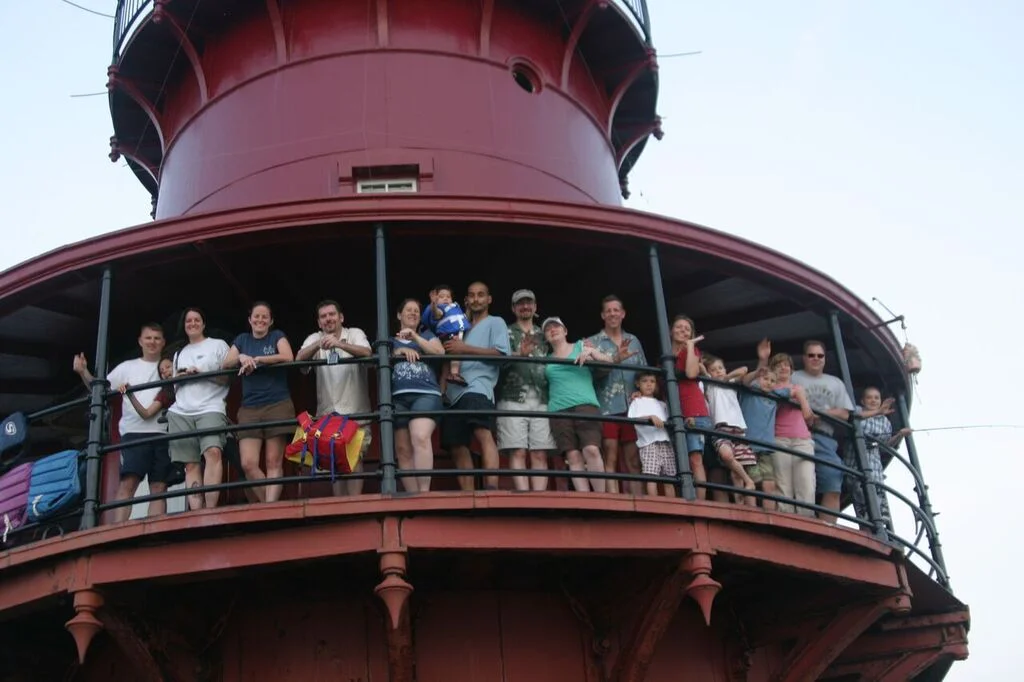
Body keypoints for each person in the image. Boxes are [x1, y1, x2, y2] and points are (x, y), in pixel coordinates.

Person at [72, 323, 173, 523]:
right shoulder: (127, 367)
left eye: (157, 338)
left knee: (159, 487)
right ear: (140, 341)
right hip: (134, 433)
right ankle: (119, 528)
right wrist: (83, 372)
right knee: (129, 482)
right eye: (148, 338)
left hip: (164, 432)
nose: (152, 342)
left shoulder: (170, 366)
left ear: (163, 342)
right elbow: (99, 392)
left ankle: (155, 533)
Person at [296, 300, 372, 496]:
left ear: (341, 317)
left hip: (356, 411)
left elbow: (368, 353)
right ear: (319, 322)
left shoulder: (354, 333)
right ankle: (341, 507)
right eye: (323, 316)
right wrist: (318, 344)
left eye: (331, 314)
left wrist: (339, 344)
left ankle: (355, 505)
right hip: (328, 415)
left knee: (354, 458)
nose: (328, 318)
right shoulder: (315, 337)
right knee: (334, 460)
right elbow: (299, 361)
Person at [222, 302, 295, 503]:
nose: (260, 320)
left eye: (264, 317)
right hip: (249, 407)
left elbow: (288, 356)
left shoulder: (277, 336)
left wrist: (258, 359)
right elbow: (226, 363)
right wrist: (242, 357)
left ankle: (270, 508)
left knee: (273, 461)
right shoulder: (242, 339)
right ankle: (272, 506)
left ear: (270, 321)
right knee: (248, 463)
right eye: (256, 316)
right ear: (250, 320)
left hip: (277, 403)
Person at [440, 282, 509, 491]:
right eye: (471, 295)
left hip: (478, 386)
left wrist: (465, 348)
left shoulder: (496, 322)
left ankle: (491, 488)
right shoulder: (460, 326)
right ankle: (467, 494)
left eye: (481, 295)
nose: (476, 299)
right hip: (452, 394)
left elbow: (501, 354)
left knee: (482, 432)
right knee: (456, 444)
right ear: (466, 300)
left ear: (489, 299)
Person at [544, 316, 625, 493]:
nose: (552, 329)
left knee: (591, 450)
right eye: (548, 329)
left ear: (565, 331)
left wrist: (592, 353)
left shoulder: (582, 345)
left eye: (556, 326)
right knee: (572, 456)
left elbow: (608, 361)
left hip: (585, 404)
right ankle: (584, 497)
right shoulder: (546, 358)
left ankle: (600, 496)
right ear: (546, 337)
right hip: (558, 410)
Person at [167, 308, 231, 511]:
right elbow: (174, 389)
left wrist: (202, 373)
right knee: (190, 464)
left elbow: (227, 378)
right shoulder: (179, 353)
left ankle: (210, 509)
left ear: (203, 324)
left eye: (197, 320)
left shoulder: (218, 345)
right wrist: (179, 377)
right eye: (188, 321)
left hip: (211, 407)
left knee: (213, 453)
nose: (192, 323)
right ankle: (196, 512)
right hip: (181, 411)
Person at [496, 289, 556, 492]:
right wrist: (517, 354)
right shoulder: (504, 331)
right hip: (512, 397)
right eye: (520, 303)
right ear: (513, 308)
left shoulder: (546, 334)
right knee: (518, 451)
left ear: (535, 307)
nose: (525, 306)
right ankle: (523, 496)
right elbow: (495, 364)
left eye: (529, 302)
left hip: (542, 398)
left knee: (539, 453)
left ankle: (539, 498)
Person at [587, 295, 646, 494]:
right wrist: (615, 359)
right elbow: (593, 375)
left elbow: (644, 373)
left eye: (616, 310)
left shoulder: (634, 341)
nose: (613, 313)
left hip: (633, 408)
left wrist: (642, 390)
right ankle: (613, 500)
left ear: (623, 314)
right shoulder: (593, 343)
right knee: (609, 457)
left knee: (634, 460)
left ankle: (639, 504)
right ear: (603, 315)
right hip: (607, 408)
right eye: (608, 310)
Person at [791, 340, 856, 521]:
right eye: (811, 355)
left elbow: (844, 413)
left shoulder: (835, 383)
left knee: (833, 479)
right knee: (797, 482)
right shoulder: (793, 377)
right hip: (795, 434)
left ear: (825, 359)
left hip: (825, 438)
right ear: (804, 358)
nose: (816, 359)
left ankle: (828, 529)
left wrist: (819, 414)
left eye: (820, 356)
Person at [391, 298, 445, 493]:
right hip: (398, 399)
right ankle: (413, 497)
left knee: (420, 436)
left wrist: (415, 338)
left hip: (426, 394)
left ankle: (424, 493)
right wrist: (399, 349)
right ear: (399, 315)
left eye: (417, 311)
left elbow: (440, 352)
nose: (413, 313)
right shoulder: (390, 341)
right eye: (409, 310)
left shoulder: (427, 335)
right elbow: (379, 355)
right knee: (403, 450)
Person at [758, 344, 817, 516]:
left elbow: (809, 416)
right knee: (783, 484)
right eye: (779, 364)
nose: (784, 367)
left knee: (806, 481)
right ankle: (788, 520)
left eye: (787, 365)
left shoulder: (799, 388)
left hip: (802, 439)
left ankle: (806, 520)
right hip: (779, 438)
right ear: (773, 370)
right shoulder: (769, 388)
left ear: (792, 370)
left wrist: (803, 401)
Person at [702, 355, 758, 505]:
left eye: (720, 368)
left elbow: (744, 370)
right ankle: (749, 481)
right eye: (713, 370)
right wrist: (703, 367)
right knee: (726, 456)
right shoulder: (710, 385)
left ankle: (746, 508)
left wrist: (727, 377)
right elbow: (702, 371)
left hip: (738, 428)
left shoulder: (731, 382)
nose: (718, 372)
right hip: (720, 428)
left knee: (736, 474)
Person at [853, 387, 909, 528]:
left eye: (876, 398)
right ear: (862, 401)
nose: (873, 400)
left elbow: (886, 445)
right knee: (862, 502)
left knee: (878, 508)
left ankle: (877, 529)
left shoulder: (885, 422)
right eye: (869, 397)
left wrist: (899, 435)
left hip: (875, 468)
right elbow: (852, 425)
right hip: (857, 465)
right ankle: (866, 528)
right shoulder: (858, 412)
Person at [670, 315, 710, 500]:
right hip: (675, 412)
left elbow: (691, 373)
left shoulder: (692, 351)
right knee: (679, 460)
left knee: (695, 459)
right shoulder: (667, 354)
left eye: (687, 328)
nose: (683, 331)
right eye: (679, 327)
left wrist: (692, 345)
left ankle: (699, 502)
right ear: (671, 330)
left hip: (693, 410)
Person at [626, 371, 676, 497]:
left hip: (665, 442)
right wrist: (650, 417)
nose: (649, 384)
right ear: (637, 384)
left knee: (669, 478)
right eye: (645, 381)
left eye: (652, 381)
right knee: (651, 476)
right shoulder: (636, 401)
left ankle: (672, 505)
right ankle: (655, 504)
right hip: (648, 443)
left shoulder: (662, 404)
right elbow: (633, 418)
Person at [424, 285, 471, 386]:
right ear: (436, 300)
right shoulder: (440, 309)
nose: (445, 298)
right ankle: (454, 374)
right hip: (448, 336)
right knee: (456, 352)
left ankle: (443, 392)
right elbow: (437, 313)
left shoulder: (455, 308)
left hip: (455, 334)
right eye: (441, 297)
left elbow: (464, 318)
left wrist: (468, 308)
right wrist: (433, 304)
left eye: (448, 296)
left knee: (445, 368)